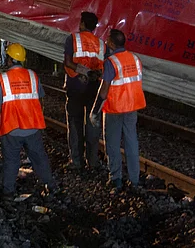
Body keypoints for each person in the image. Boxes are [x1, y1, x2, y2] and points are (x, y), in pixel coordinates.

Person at [0, 43, 59, 197]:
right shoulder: (32, 76)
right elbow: (39, 101)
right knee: (39, 157)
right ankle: (51, 185)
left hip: (11, 127)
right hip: (32, 126)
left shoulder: (3, 78)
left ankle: (8, 191)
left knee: (11, 160)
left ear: (9, 60)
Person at [91, 29, 147, 192]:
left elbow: (103, 91)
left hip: (115, 108)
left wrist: (95, 111)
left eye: (108, 40)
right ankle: (134, 180)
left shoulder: (111, 61)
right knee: (131, 142)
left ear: (112, 43)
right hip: (132, 107)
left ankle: (116, 179)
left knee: (113, 144)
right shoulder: (135, 59)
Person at [63, 11, 106, 171]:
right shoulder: (101, 44)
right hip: (94, 89)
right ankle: (93, 161)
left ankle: (76, 161)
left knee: (75, 123)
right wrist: (93, 74)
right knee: (93, 124)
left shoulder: (73, 39)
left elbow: (68, 62)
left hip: (75, 87)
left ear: (82, 24)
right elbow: (104, 68)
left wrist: (84, 71)